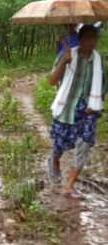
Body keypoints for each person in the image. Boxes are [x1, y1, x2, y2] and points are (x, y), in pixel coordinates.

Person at [48, 25, 106, 198]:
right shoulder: (68, 54)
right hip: (67, 107)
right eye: (86, 38)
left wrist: (97, 100)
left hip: (88, 110)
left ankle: (69, 186)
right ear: (79, 39)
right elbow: (52, 81)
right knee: (60, 144)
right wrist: (63, 61)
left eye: (93, 38)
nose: (90, 42)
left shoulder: (98, 60)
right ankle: (55, 160)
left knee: (85, 144)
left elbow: (103, 83)